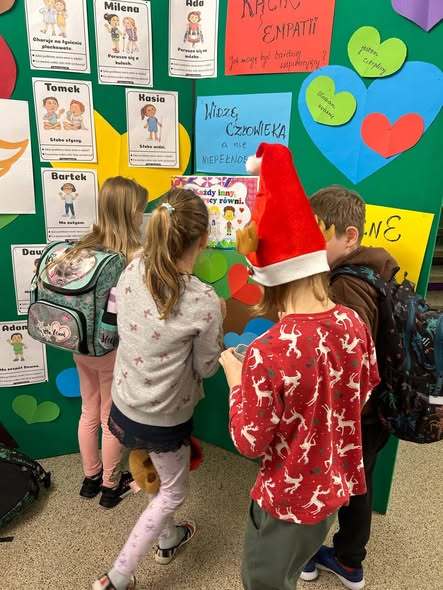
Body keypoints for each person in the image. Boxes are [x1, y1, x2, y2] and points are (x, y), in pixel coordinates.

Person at [219, 143, 380, 590]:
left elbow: (250, 441)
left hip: (285, 500)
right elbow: (363, 391)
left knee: (265, 579)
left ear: (266, 278)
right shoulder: (352, 323)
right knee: (294, 564)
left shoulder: (266, 353)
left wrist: (236, 381)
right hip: (332, 490)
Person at [93, 188, 225, 590]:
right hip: (163, 417)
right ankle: (117, 576)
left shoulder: (133, 268)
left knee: (157, 474)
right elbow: (207, 367)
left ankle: (168, 538)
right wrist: (219, 318)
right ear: (203, 239)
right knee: (173, 492)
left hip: (124, 403)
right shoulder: (204, 300)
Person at [301, 186, 398, 590]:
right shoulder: (379, 269)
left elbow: (349, 359)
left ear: (350, 236)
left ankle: (312, 556)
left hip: (355, 413)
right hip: (377, 408)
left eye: (318, 235)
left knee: (326, 482)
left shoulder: (345, 285)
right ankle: (349, 560)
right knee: (360, 485)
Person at [59, 177, 147, 508]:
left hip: (79, 343)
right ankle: (111, 485)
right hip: (112, 348)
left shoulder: (81, 247)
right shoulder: (133, 255)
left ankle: (90, 478)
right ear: (129, 212)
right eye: (140, 210)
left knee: (88, 410)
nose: (142, 216)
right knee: (112, 416)